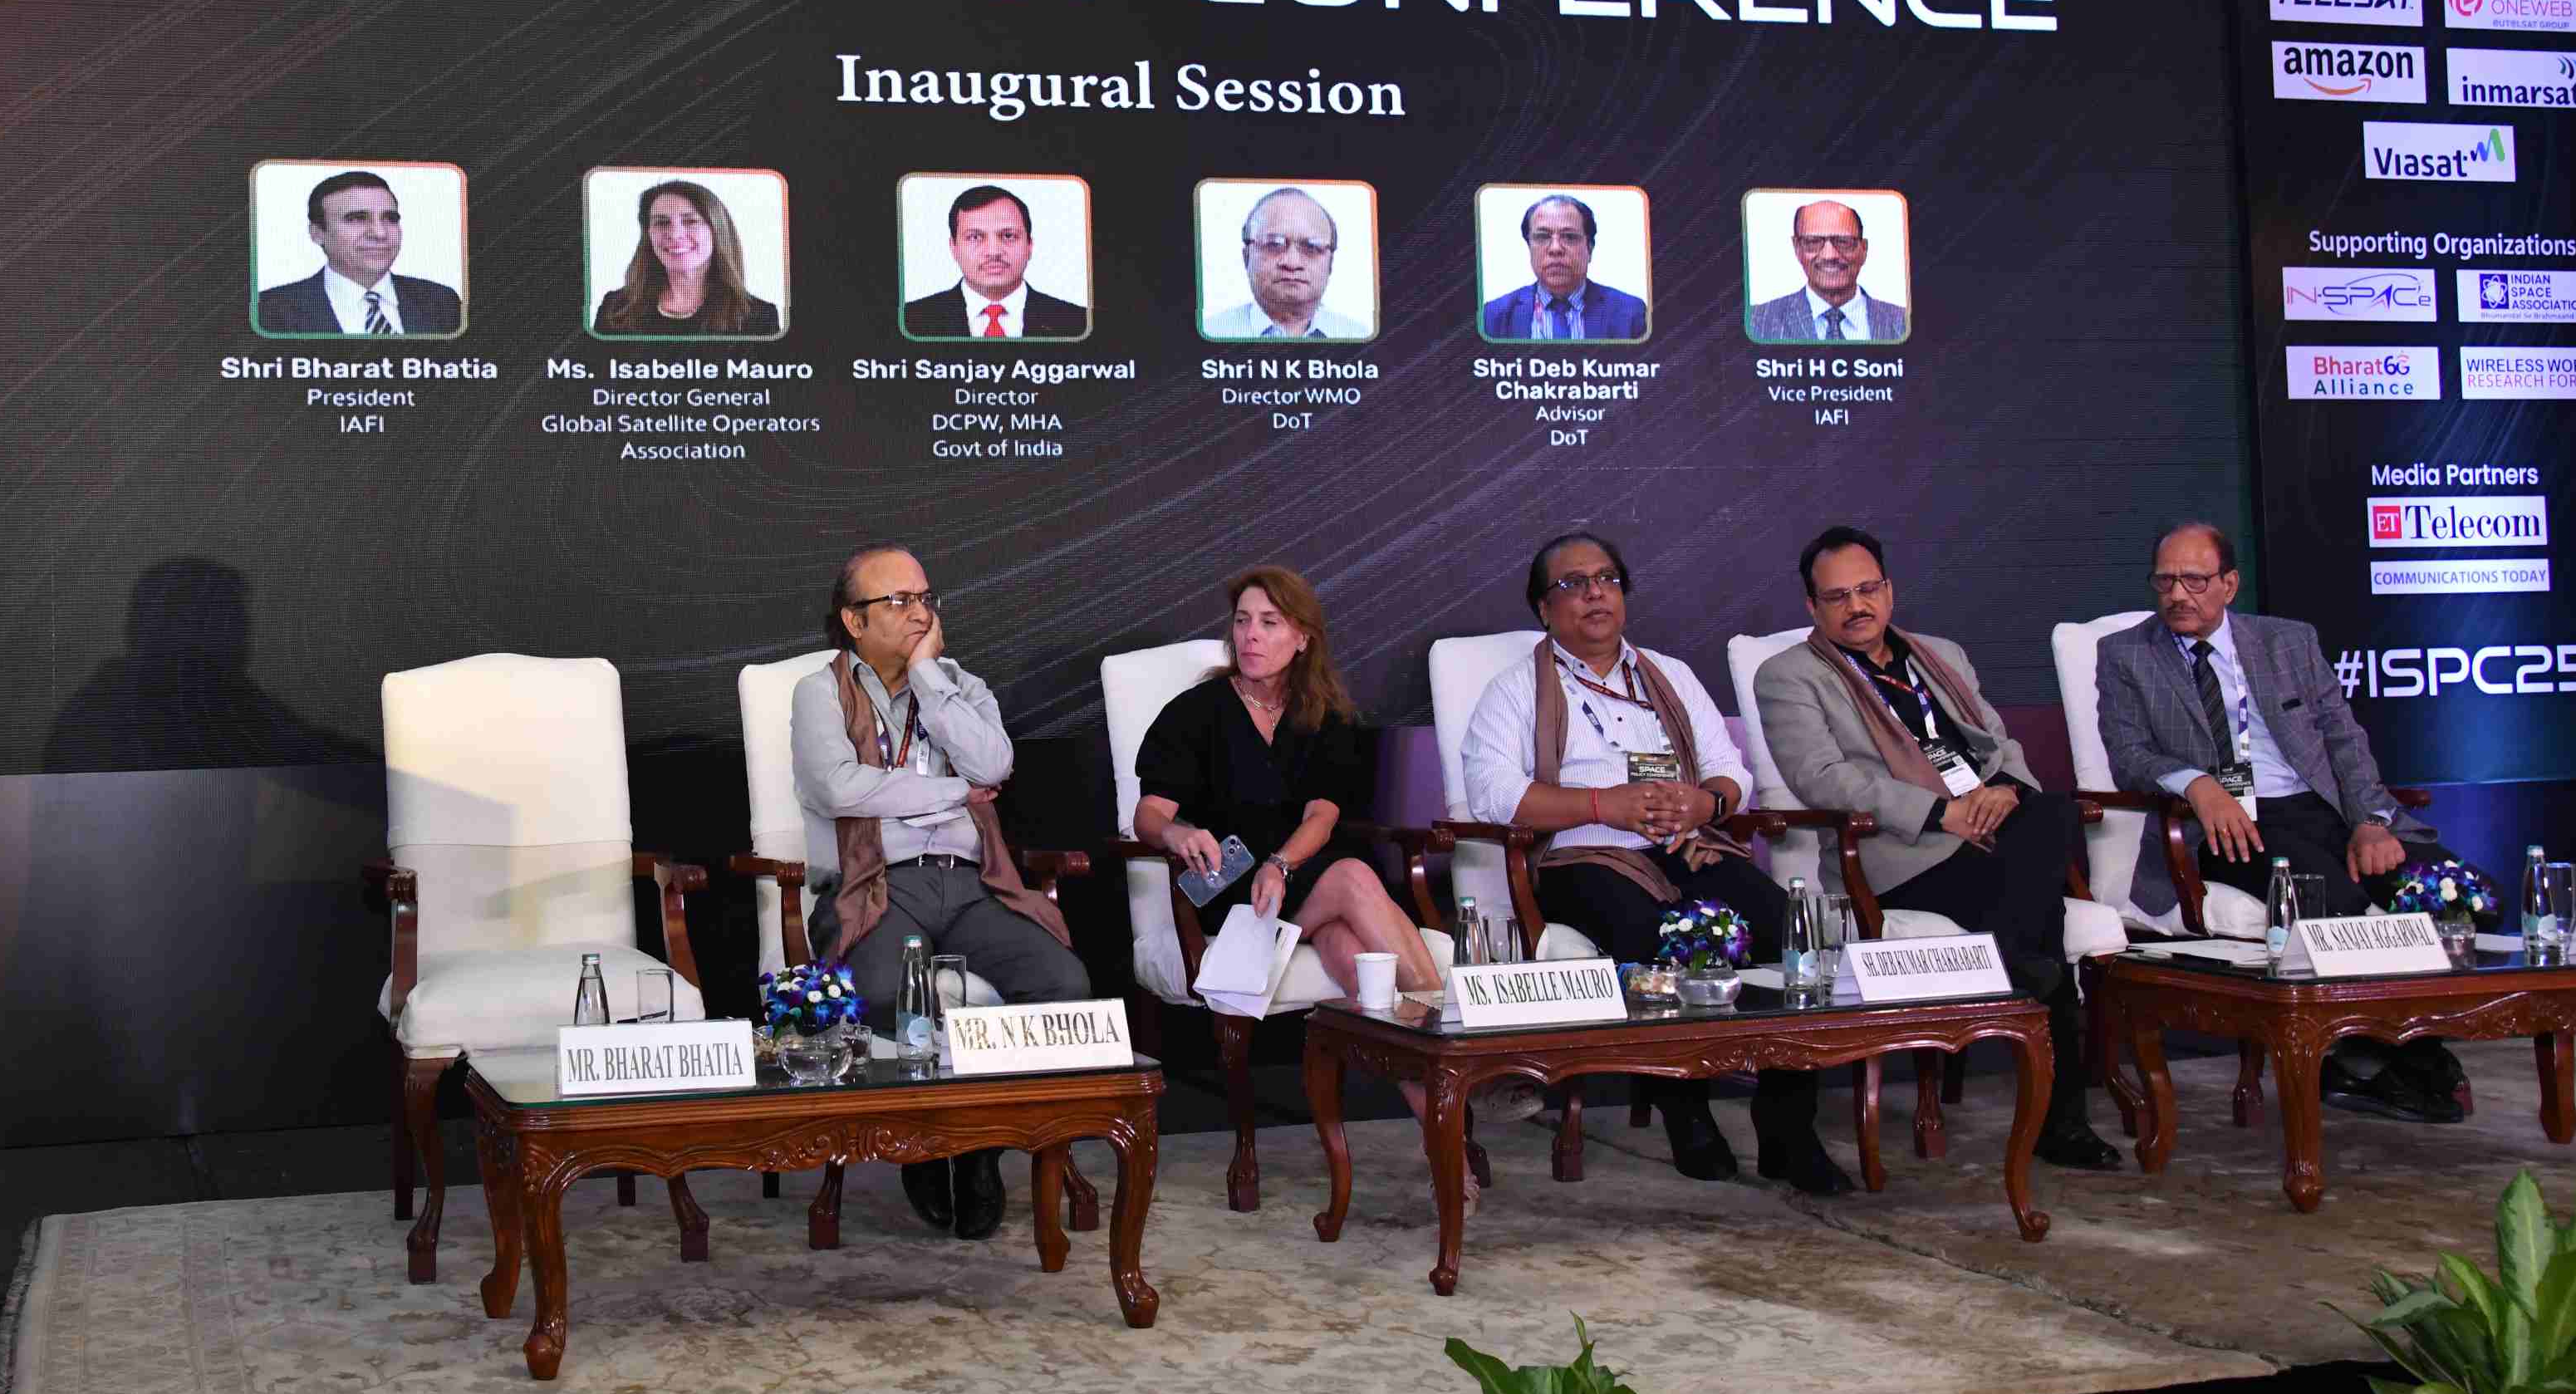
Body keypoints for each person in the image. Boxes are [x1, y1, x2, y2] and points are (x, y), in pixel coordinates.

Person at [1458, 529, 1848, 1194]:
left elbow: (1730, 772)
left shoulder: (1669, 674)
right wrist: (1601, 805)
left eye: (1607, 579)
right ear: (1544, 609)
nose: (1594, 594)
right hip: (1582, 858)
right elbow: (1494, 794)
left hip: (1684, 845)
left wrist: (1704, 802)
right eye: (1573, 584)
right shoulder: (1515, 689)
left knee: (1789, 931)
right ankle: (1685, 1110)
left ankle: (1787, 1126)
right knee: (1651, 937)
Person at [1752, 526, 2121, 1171]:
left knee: (2051, 812)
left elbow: (1999, 742)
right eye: (1837, 597)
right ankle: (2060, 1120)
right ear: (1812, 607)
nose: (1857, 606)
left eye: (1868, 589)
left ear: (1889, 591)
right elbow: (1823, 778)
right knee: (2043, 927)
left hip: (1991, 831)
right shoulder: (1788, 675)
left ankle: (2017, 961)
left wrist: (2003, 793)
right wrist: (1940, 813)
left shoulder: (1940, 655)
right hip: (1903, 852)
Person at [2097, 520, 2469, 1123]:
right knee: (2340, 905)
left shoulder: (2288, 642)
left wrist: (2371, 820)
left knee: (2462, 897)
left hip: (2323, 810)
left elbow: (2344, 741)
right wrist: (2196, 783)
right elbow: (2128, 753)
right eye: (2164, 581)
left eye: (2194, 580)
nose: (2177, 595)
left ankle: (2379, 1058)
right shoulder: (2127, 654)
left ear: (2229, 584)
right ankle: (2394, 1062)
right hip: (2229, 825)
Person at [791, 545, 1090, 1238]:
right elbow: (838, 788)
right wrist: (954, 791)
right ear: (854, 620)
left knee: (1061, 986)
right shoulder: (820, 692)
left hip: (974, 883)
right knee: (885, 991)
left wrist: (927, 675)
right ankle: (922, 1146)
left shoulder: (958, 684)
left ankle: (980, 1146)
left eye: (925, 598)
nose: (918, 612)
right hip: (878, 885)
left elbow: (995, 764)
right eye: (897, 601)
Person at [1133, 565, 1437, 996]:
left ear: (1303, 639)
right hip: (1228, 884)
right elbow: (1148, 814)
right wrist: (1174, 833)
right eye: (1242, 621)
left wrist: (1279, 865)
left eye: (1269, 622)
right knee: (1350, 877)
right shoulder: (1193, 713)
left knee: (1350, 952)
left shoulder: (1325, 716)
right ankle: (1444, 1016)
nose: (1250, 635)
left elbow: (1322, 817)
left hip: (1297, 872)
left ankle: (1404, 1034)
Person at [254, 169, 464, 336]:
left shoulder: (442, 302)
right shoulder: (269, 310)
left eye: (390, 219)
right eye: (356, 219)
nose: (380, 233)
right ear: (317, 233)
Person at [592, 178, 780, 336]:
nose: (675, 235)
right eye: (662, 222)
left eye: (691, 221)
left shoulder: (760, 317)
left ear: (717, 231)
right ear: (648, 235)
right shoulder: (615, 308)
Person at [901, 184, 1085, 339]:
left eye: (1008, 236)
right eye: (975, 237)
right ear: (954, 248)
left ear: (1030, 245)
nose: (994, 252)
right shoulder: (910, 320)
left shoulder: (1078, 322)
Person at [1205, 188, 1371, 339]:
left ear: (1331, 263)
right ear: (1247, 257)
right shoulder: (1211, 334)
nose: (1292, 263)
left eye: (1311, 247)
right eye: (1274, 245)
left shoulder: (1360, 338)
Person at [1479, 194, 1648, 342]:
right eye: (1542, 237)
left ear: (1590, 249)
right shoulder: (1493, 316)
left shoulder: (1631, 313)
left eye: (1569, 237)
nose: (1555, 249)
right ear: (1529, 247)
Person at [1747, 199, 1908, 343]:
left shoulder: (1904, 322)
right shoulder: (1757, 321)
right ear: (1797, 248)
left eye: (1843, 241)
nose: (1829, 255)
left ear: (1864, 249)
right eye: (1813, 242)